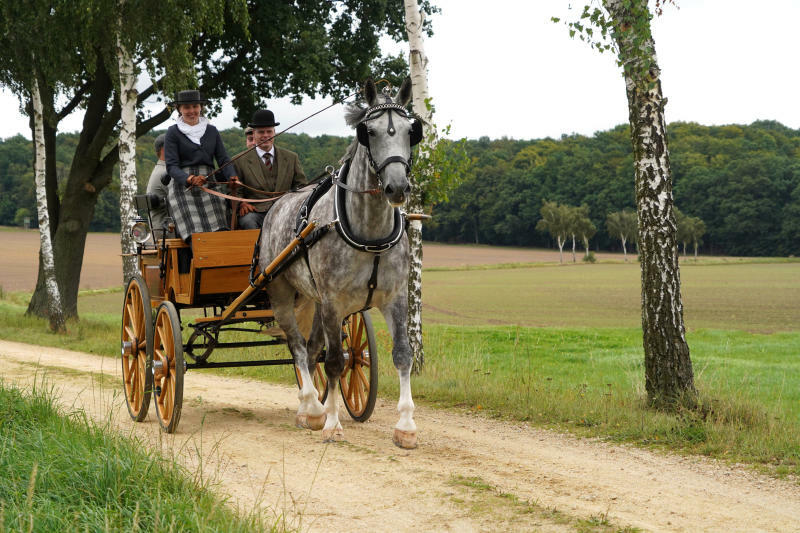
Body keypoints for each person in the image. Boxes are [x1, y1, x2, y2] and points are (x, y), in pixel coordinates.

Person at [163, 90, 239, 241]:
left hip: (208, 182)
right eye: (187, 107)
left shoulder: (212, 131)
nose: (192, 111)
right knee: (195, 234)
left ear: (201, 107)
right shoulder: (172, 132)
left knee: (219, 231)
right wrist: (189, 178)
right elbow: (171, 166)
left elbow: (223, 159)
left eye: (195, 106)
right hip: (183, 187)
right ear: (179, 109)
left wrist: (231, 175)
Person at [234, 109, 307, 230]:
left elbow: (302, 186)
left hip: (287, 210)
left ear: (274, 132)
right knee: (248, 221)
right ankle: (256, 249)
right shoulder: (239, 160)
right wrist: (242, 203)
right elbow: (235, 191)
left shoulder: (291, 158)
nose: (265, 135)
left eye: (269, 131)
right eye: (261, 132)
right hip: (256, 213)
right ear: (254, 134)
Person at [145, 133, 169, 238]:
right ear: (164, 149)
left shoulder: (160, 169)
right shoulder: (165, 173)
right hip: (167, 232)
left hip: (159, 229)